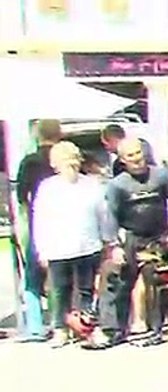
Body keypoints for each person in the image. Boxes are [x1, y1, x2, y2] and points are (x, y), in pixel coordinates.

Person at [87, 138, 168, 350]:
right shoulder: (117, 185)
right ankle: (112, 331)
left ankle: (164, 326)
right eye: (130, 156)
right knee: (116, 282)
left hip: (160, 237)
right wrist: (114, 246)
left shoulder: (160, 175)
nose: (136, 159)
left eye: (138, 153)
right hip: (131, 237)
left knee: (164, 281)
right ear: (122, 160)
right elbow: (111, 215)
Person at [30, 142, 110, 347]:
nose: (70, 165)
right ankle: (60, 329)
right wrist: (42, 249)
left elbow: (103, 214)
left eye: (73, 159)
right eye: (64, 161)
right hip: (58, 247)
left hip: (88, 244)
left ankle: (90, 328)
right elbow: (40, 219)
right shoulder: (48, 188)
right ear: (55, 164)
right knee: (59, 290)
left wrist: (108, 240)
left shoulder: (92, 185)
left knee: (86, 291)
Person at [14, 118, 62, 341]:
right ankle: (58, 319)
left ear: (37, 134)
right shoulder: (67, 157)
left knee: (32, 275)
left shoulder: (30, 162)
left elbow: (22, 197)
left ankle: (34, 325)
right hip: (65, 221)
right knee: (59, 273)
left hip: (37, 222)